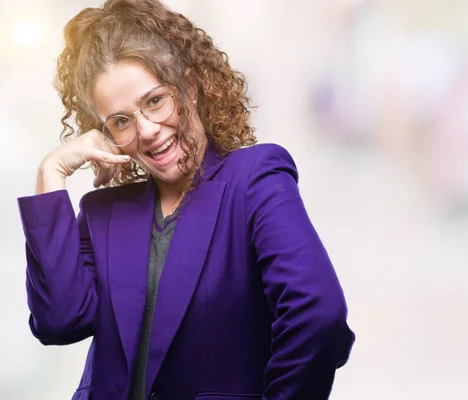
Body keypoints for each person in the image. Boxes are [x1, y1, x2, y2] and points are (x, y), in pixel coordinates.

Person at [16, 0, 355, 399]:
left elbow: (318, 316)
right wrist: (50, 175)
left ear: (189, 88)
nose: (147, 131)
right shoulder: (103, 212)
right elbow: (59, 321)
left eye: (155, 101)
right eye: (121, 121)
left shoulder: (253, 179)